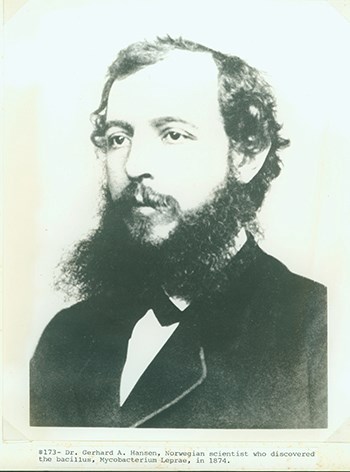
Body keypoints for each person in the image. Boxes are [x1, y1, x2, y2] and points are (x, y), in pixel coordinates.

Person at [30, 36, 327, 428]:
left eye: (173, 134)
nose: (134, 165)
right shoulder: (66, 337)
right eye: (119, 138)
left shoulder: (317, 329)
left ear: (246, 154)